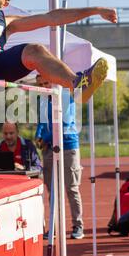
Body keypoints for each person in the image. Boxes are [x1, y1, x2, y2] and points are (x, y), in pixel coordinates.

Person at [34, 74, 84, 239]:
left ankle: (78, 226)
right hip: (49, 148)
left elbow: (63, 123)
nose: (44, 86)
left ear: (53, 81)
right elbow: (41, 123)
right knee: (52, 190)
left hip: (68, 145)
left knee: (71, 188)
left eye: (46, 82)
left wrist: (45, 138)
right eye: (40, 84)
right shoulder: (42, 99)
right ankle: (53, 228)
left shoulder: (64, 96)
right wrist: (38, 136)